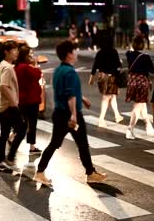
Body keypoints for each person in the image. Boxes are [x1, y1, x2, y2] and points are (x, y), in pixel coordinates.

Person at [33, 40, 107, 186]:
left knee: (57, 144)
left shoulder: (59, 70)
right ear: (69, 55)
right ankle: (89, 173)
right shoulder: (71, 72)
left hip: (59, 113)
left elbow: (66, 91)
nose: (76, 53)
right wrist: (73, 115)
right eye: (74, 51)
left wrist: (82, 98)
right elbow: (70, 95)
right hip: (70, 114)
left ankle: (41, 171)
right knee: (81, 144)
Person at [0, 40, 27, 172]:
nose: (17, 52)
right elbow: (3, 86)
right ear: (6, 52)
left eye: (17, 50)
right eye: (14, 50)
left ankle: (1, 161)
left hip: (3, 105)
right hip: (9, 106)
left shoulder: (3, 65)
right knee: (22, 129)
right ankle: (9, 158)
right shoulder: (7, 67)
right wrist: (14, 102)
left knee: (4, 134)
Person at [8, 45, 43, 155]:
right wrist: (35, 64)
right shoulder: (27, 67)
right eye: (30, 55)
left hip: (21, 100)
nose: (32, 56)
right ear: (25, 56)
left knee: (23, 123)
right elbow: (38, 75)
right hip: (31, 100)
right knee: (32, 124)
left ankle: (12, 136)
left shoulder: (16, 67)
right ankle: (32, 147)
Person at [125, 35, 154, 139]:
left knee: (142, 104)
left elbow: (130, 50)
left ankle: (148, 126)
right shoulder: (145, 57)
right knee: (137, 106)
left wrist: (132, 46)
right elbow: (153, 70)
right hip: (142, 83)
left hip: (132, 82)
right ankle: (130, 129)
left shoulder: (129, 54)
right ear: (142, 45)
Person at [88, 36, 124, 127]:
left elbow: (95, 65)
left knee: (112, 96)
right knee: (106, 98)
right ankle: (101, 120)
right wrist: (120, 64)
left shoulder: (100, 53)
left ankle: (117, 115)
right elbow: (118, 66)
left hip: (102, 77)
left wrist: (91, 78)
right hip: (111, 77)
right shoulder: (113, 51)